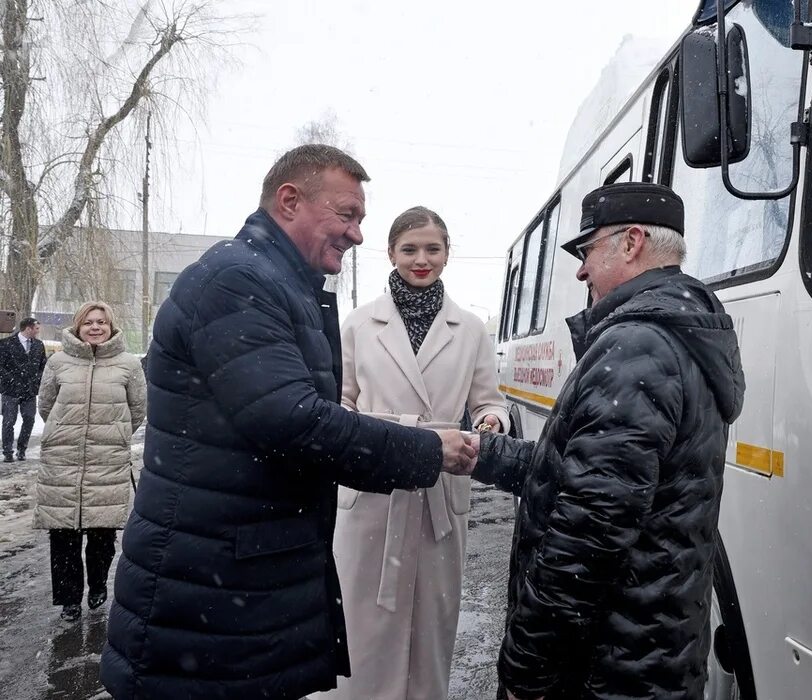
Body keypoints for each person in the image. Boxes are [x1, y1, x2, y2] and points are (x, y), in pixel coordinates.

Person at [99, 145, 477, 700]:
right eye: (346, 215)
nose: (356, 235)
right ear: (290, 201)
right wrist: (426, 449)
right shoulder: (237, 282)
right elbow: (294, 423)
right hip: (211, 588)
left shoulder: (278, 284)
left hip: (239, 577)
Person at [470, 182, 746, 700]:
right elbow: (586, 476)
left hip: (606, 670)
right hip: (650, 655)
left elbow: (587, 537)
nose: (580, 269)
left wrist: (525, 668)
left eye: (586, 249)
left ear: (631, 241)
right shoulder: (679, 331)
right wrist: (483, 452)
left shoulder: (638, 344)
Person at [314, 206, 508, 700]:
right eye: (410, 249)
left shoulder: (470, 329)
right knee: (363, 626)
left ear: (447, 253)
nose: (421, 259)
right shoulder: (357, 325)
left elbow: (489, 400)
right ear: (391, 252)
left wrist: (488, 424)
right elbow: (339, 403)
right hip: (372, 487)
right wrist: (391, 438)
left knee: (431, 625)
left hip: (441, 492)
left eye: (432, 249)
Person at [34, 302, 145, 622]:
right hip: (62, 459)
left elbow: (137, 409)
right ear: (77, 326)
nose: (95, 327)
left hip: (106, 460)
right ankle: (69, 598)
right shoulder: (58, 362)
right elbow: (46, 406)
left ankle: (97, 585)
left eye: (102, 322)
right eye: (89, 322)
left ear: (111, 327)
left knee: (101, 537)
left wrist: (112, 434)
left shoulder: (128, 365)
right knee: (63, 536)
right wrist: (67, 433)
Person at [0, 316, 46, 462]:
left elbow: (42, 366)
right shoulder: (5, 344)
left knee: (29, 419)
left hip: (30, 391)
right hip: (10, 390)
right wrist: (10, 380)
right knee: (9, 421)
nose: (38, 331)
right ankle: (7, 451)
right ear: (28, 328)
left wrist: (36, 381)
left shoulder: (39, 345)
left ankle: (22, 449)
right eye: (36, 328)